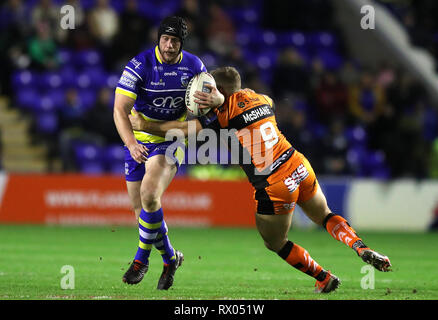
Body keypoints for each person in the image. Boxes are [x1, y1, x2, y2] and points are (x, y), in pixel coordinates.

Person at [129, 66, 392, 293]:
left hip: (274, 183)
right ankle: (360, 247)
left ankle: (323, 278)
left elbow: (178, 130)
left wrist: (143, 125)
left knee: (275, 242)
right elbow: (264, 102)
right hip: (299, 165)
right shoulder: (261, 98)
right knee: (324, 215)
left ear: (216, 90)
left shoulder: (224, 117)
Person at [113, 16, 224, 290]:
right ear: (158, 39)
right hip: (138, 141)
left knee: (150, 194)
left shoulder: (195, 67)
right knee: (142, 210)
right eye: (165, 39)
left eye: (175, 41)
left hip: (171, 140)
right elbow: (119, 110)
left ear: (182, 43)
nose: (169, 45)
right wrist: (131, 144)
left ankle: (141, 260)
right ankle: (170, 258)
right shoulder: (140, 65)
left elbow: (211, 107)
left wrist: (219, 98)